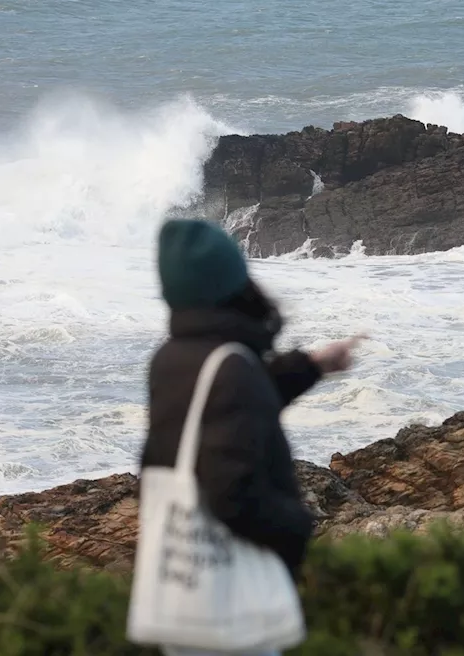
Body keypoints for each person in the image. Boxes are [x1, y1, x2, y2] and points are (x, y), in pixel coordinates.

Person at [140, 219, 360, 656]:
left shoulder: (172, 358)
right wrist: (297, 526)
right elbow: (232, 492)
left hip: (186, 584)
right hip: (229, 599)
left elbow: (228, 412)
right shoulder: (232, 367)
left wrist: (313, 365)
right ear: (232, 281)